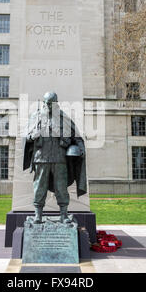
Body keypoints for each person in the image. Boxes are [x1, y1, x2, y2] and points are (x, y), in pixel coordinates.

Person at [23, 92, 87, 223]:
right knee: (39, 187)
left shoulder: (64, 118)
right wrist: (32, 136)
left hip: (59, 159)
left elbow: (77, 137)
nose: (48, 105)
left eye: (51, 103)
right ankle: (38, 215)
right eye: (46, 103)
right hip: (41, 158)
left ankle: (64, 214)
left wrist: (81, 149)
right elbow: (27, 137)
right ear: (43, 103)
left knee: (61, 187)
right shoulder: (36, 116)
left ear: (56, 103)